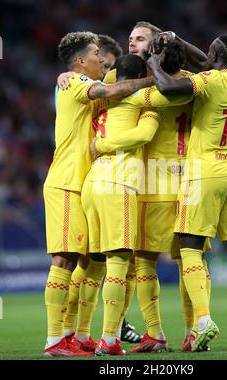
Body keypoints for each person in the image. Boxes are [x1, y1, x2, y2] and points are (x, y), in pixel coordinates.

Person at [148, 32, 227, 351]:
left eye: (211, 53)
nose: (206, 57)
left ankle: (203, 320)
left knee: (190, 247)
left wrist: (153, 64)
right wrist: (176, 38)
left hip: (204, 174)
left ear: (216, 57)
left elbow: (168, 88)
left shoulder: (210, 81)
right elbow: (206, 61)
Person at [43, 31, 155, 357]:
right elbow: (113, 87)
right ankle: (53, 342)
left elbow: (112, 92)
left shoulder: (79, 89)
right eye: (96, 53)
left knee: (85, 262)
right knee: (63, 260)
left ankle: (72, 334)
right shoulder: (75, 83)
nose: (102, 59)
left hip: (84, 184)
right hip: (66, 182)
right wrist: (151, 82)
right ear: (80, 62)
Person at [103, 22, 212, 353]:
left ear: (155, 47)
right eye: (130, 38)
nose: (131, 43)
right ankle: (195, 330)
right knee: (189, 259)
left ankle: (157, 332)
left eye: (139, 39)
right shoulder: (192, 82)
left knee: (145, 259)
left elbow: (107, 91)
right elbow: (207, 65)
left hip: (153, 180)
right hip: (189, 178)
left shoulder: (143, 84)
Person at [81, 54, 160, 356]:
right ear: (141, 74)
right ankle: (110, 339)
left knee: (94, 264)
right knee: (119, 260)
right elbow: (144, 134)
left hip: (92, 182)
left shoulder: (101, 97)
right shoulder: (143, 97)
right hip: (118, 181)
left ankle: (82, 334)